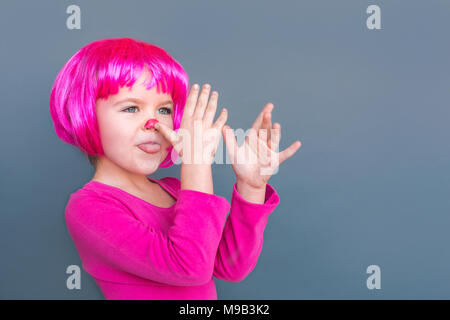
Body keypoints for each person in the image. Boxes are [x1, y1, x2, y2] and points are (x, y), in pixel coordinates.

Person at [49, 37, 301, 300]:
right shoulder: (89, 208)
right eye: (132, 108)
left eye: (164, 110)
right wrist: (195, 161)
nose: (153, 123)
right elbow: (190, 268)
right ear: (86, 114)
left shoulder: (176, 190)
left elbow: (231, 267)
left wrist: (251, 187)